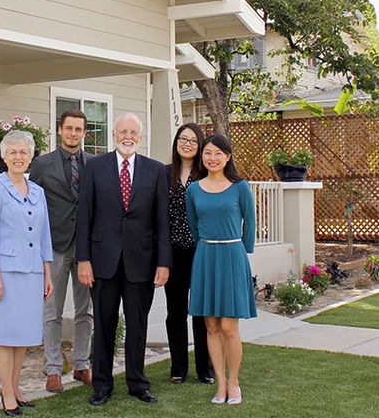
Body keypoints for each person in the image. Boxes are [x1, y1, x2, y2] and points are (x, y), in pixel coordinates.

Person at [76, 113, 171, 406]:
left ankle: (138, 383)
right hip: (102, 262)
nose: (128, 136)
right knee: (103, 326)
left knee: (138, 325)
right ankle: (102, 386)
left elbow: (162, 222)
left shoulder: (156, 171)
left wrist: (163, 262)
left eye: (134, 132)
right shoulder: (95, 166)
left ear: (140, 137)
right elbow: (84, 216)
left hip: (140, 263)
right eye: (123, 132)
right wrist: (83, 260)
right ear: (114, 135)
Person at [0, 130, 55, 416]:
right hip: (6, 272)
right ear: (3, 156)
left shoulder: (38, 191)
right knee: (4, 334)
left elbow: (45, 236)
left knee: (23, 334)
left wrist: (47, 273)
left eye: (23, 152)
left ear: (31, 156)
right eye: (13, 152)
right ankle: (6, 392)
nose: (18, 157)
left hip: (33, 271)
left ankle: (17, 387)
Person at [186, 134, 257, 406]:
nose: (212, 158)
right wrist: (206, 246)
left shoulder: (240, 187)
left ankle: (235, 382)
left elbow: (249, 223)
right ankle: (221, 383)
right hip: (205, 256)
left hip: (232, 256)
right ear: (202, 157)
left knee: (229, 326)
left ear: (228, 157)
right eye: (207, 153)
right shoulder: (194, 189)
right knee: (211, 325)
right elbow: (194, 225)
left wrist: (243, 254)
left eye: (218, 153)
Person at [29, 109, 94, 393]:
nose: (73, 134)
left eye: (78, 129)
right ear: (59, 130)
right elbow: (29, 203)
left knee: (85, 311)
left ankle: (81, 364)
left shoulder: (94, 164)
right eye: (69, 128)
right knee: (52, 311)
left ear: (84, 133)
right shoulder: (42, 165)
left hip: (86, 250)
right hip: (54, 247)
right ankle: (53, 368)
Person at [164, 123, 215, 385]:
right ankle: (178, 367)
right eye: (182, 139)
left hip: (201, 251)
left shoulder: (207, 174)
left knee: (200, 310)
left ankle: (204, 368)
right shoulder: (164, 174)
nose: (186, 144)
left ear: (200, 146)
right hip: (173, 254)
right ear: (176, 143)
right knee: (176, 312)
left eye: (192, 141)